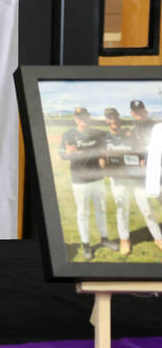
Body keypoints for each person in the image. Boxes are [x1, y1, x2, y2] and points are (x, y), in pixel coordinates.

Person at [104, 103, 162, 254]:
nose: (114, 120)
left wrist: (142, 160)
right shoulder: (105, 138)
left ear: (119, 118)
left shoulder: (131, 134)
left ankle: (158, 237)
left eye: (115, 116)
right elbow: (101, 157)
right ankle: (124, 240)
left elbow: (140, 152)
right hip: (118, 180)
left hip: (136, 177)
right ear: (106, 121)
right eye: (110, 117)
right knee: (122, 210)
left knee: (147, 208)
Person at [58, 107, 112, 260]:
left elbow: (111, 139)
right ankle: (86, 244)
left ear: (88, 117)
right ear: (76, 119)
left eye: (85, 116)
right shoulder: (69, 134)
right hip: (80, 180)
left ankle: (104, 238)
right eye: (79, 117)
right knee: (83, 213)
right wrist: (67, 153)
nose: (82, 119)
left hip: (98, 178)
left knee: (101, 209)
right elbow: (62, 154)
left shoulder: (97, 133)